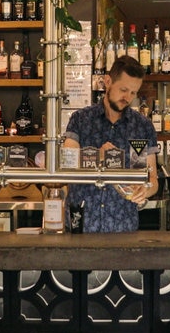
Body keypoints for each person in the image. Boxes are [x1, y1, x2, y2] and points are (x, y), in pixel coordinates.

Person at [62, 56, 159, 232]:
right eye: (123, 89)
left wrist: (145, 190)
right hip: (82, 226)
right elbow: (67, 165)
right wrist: (95, 156)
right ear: (107, 81)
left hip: (122, 229)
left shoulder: (141, 127)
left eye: (133, 93)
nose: (127, 97)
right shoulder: (81, 120)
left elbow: (150, 178)